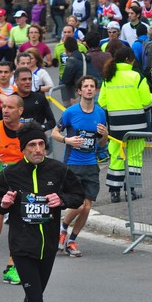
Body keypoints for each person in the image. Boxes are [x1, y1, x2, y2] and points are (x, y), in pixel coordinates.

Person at [0, 122, 85, 302]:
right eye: (32, 145)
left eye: (41, 144)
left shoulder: (59, 170)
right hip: (22, 246)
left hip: (48, 246)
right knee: (37, 300)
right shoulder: (10, 174)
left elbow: (78, 195)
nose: (37, 149)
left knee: (34, 296)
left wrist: (62, 200)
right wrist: (3, 203)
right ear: (23, 149)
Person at [51, 76, 107, 257]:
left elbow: (101, 144)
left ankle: (71, 240)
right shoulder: (71, 112)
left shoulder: (100, 113)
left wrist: (105, 134)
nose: (89, 89)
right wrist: (67, 140)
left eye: (92, 86)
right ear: (79, 91)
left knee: (87, 208)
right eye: (86, 86)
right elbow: (54, 133)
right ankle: (62, 228)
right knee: (80, 205)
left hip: (91, 164)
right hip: (73, 164)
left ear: (96, 90)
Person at [99, 47, 152, 203]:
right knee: (134, 157)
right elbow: (147, 101)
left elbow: (102, 102)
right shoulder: (137, 76)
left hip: (116, 126)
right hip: (137, 123)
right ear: (129, 60)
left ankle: (114, 192)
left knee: (116, 156)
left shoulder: (108, 77)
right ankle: (132, 191)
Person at [0, 95, 25, 286]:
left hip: (19, 189)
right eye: (3, 107)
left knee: (18, 228)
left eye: (10, 107)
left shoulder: (27, 131)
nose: (5, 110)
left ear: (20, 111)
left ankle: (11, 267)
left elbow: (39, 155)